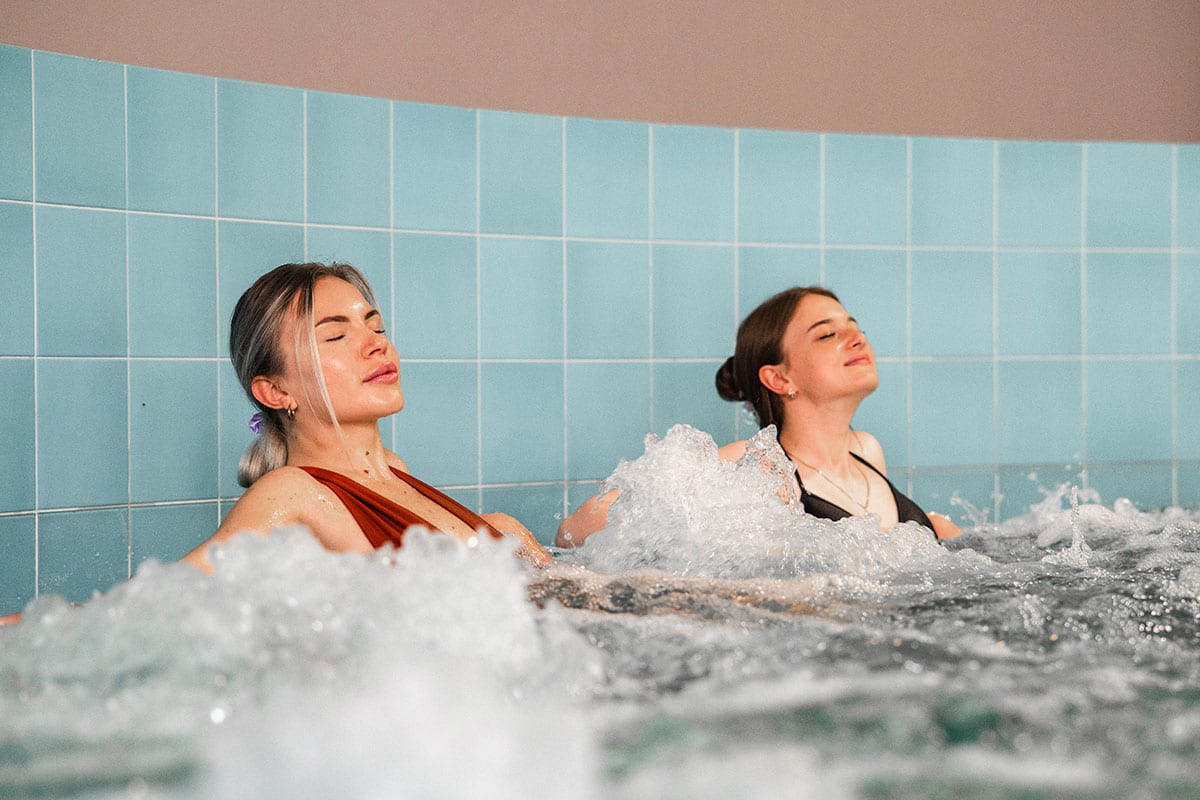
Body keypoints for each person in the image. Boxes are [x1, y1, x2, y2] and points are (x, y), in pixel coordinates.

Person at [184, 262, 549, 573]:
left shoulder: (393, 470)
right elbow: (155, 606)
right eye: (336, 335)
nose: (378, 344)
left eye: (376, 328)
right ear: (276, 392)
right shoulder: (291, 493)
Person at [556, 286, 961, 547]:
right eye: (826, 334)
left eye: (855, 328)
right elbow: (579, 528)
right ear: (779, 377)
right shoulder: (756, 465)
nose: (858, 339)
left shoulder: (867, 451)